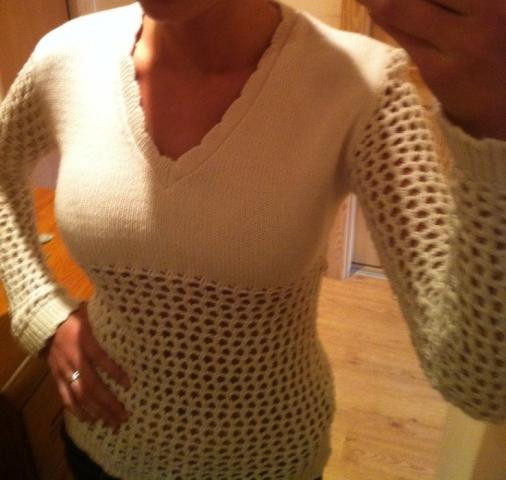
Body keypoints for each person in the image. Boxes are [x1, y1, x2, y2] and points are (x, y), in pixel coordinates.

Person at [1, 0, 505, 478]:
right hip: (100, 446)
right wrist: (41, 311)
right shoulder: (68, 57)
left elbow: (481, 382)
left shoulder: (364, 85)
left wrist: (492, 128)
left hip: (265, 456)